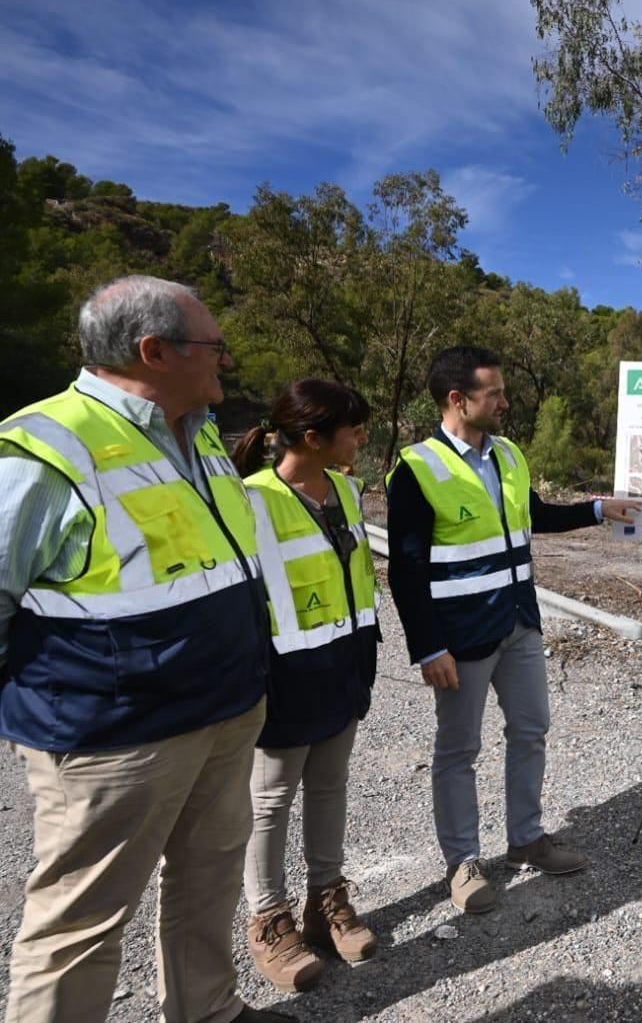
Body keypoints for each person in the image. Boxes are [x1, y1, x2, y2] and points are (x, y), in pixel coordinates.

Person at [0, 276, 291, 1023]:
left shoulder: (200, 438)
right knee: (80, 925)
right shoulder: (45, 445)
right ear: (154, 351)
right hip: (114, 736)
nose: (225, 362)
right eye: (213, 347)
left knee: (208, 882)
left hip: (225, 712)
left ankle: (209, 1011)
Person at [385, 346, 639, 914]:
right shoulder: (416, 469)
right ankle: (464, 863)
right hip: (461, 636)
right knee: (460, 750)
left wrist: (599, 509)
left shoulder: (507, 456)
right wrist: (428, 645)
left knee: (530, 731)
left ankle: (526, 839)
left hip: (519, 623)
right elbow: (405, 569)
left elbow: (537, 515)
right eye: (494, 392)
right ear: (458, 400)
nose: (505, 400)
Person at [230, 380, 382, 993]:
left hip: (343, 668)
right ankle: (268, 919)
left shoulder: (345, 489)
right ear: (313, 438)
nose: (363, 438)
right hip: (285, 678)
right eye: (353, 428)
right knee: (268, 804)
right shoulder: (252, 500)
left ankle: (326, 902)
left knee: (330, 788)